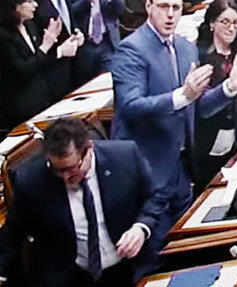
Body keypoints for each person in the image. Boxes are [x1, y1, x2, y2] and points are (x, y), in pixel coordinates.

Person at [109, 0, 237, 257]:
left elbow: (197, 107)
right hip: (149, 168)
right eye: (163, 6)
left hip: (184, 166)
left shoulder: (185, 48)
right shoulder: (131, 50)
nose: (170, 14)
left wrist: (230, 86)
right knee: (154, 256)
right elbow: (131, 106)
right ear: (148, 6)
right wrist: (183, 95)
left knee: (185, 248)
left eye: (176, 7)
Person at [0, 117, 166, 286]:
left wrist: (141, 228)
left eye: (71, 168)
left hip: (129, 269)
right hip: (72, 277)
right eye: (57, 170)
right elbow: (14, 230)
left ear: (89, 150)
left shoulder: (124, 156)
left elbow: (156, 196)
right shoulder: (30, 180)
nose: (65, 177)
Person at [193, 0, 237, 187]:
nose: (231, 28)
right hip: (211, 142)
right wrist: (232, 83)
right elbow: (203, 108)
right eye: (225, 22)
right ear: (211, 24)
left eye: (235, 22)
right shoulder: (202, 58)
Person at [0, 0, 83, 129]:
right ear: (16, 7)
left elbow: (41, 60)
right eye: (30, 2)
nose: (35, 5)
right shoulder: (4, 37)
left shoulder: (30, 25)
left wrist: (61, 49)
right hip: (22, 106)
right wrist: (46, 45)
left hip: (43, 97)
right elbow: (23, 70)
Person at [29, 0, 76, 100]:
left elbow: (70, 16)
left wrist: (77, 33)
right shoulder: (32, 3)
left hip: (75, 64)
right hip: (52, 73)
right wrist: (60, 50)